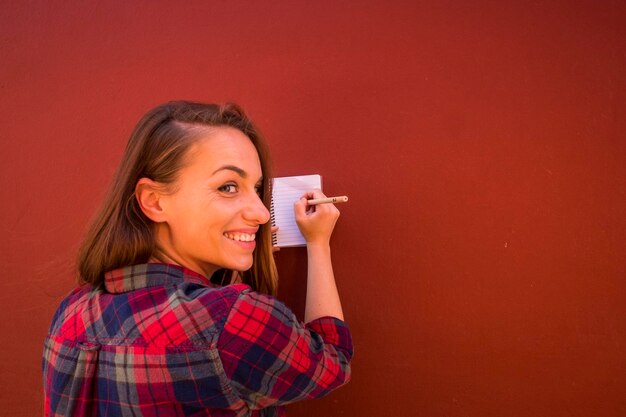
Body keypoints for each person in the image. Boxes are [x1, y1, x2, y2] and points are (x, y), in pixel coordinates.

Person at [42, 101, 352, 417]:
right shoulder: (230, 320)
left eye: (257, 188)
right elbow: (332, 361)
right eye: (228, 186)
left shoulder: (71, 313)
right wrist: (318, 244)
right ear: (154, 201)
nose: (260, 212)